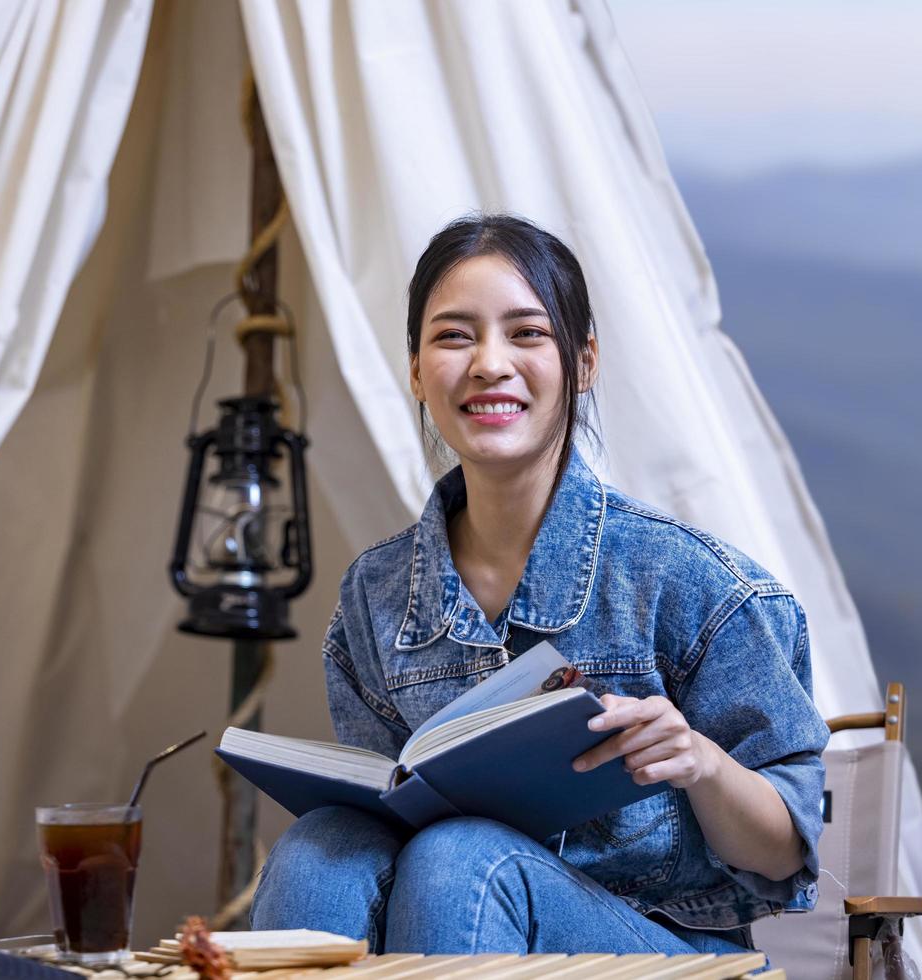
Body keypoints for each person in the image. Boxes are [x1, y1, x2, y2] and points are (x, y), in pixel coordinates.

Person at [249, 213, 828, 956]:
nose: (489, 363)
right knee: (320, 847)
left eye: (526, 334)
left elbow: (785, 855)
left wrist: (702, 763)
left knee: (463, 861)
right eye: (455, 336)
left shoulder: (690, 583)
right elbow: (378, 823)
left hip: (662, 954)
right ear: (418, 371)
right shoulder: (377, 593)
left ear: (583, 362)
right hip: (443, 934)